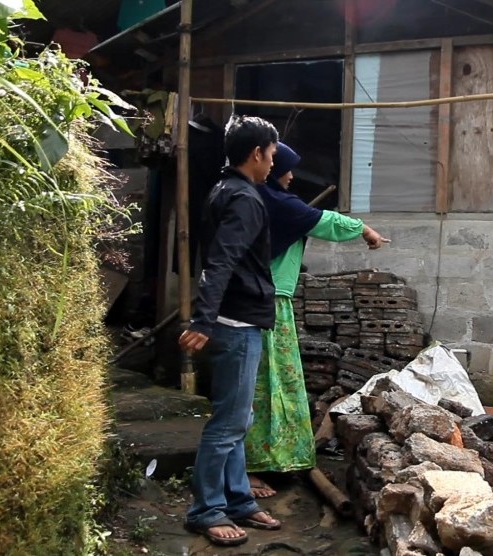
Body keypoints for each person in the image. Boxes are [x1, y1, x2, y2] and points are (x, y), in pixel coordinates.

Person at [244, 142, 387, 496]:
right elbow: (324, 221)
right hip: (265, 303)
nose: (290, 175)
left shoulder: (269, 200)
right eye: (284, 167)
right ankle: (248, 467)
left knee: (278, 384)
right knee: (262, 387)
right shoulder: (272, 201)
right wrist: (365, 230)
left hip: (275, 302)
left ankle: (273, 459)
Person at [179, 115, 283, 547]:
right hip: (235, 324)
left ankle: (238, 499)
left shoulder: (225, 190)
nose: (273, 164)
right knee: (227, 423)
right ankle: (206, 510)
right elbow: (219, 262)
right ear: (256, 153)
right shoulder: (244, 198)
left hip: (235, 320)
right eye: (272, 155)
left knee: (238, 419)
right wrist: (203, 319)